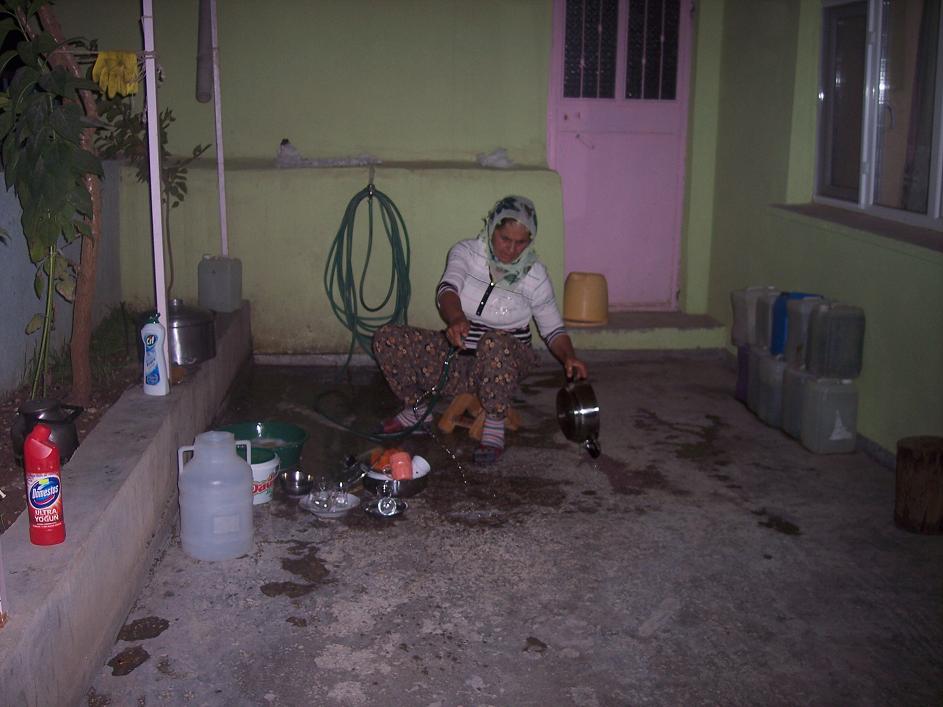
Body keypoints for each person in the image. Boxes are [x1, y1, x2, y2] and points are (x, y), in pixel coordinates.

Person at [372, 195, 588, 464]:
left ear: (530, 240)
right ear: (492, 228)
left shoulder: (535, 276)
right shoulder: (466, 252)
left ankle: (494, 422)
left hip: (506, 362)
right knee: (388, 338)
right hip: (461, 357)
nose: (511, 249)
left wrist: (569, 356)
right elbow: (448, 289)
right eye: (505, 239)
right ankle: (417, 409)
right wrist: (456, 318)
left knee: (494, 342)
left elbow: (553, 328)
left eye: (521, 242)